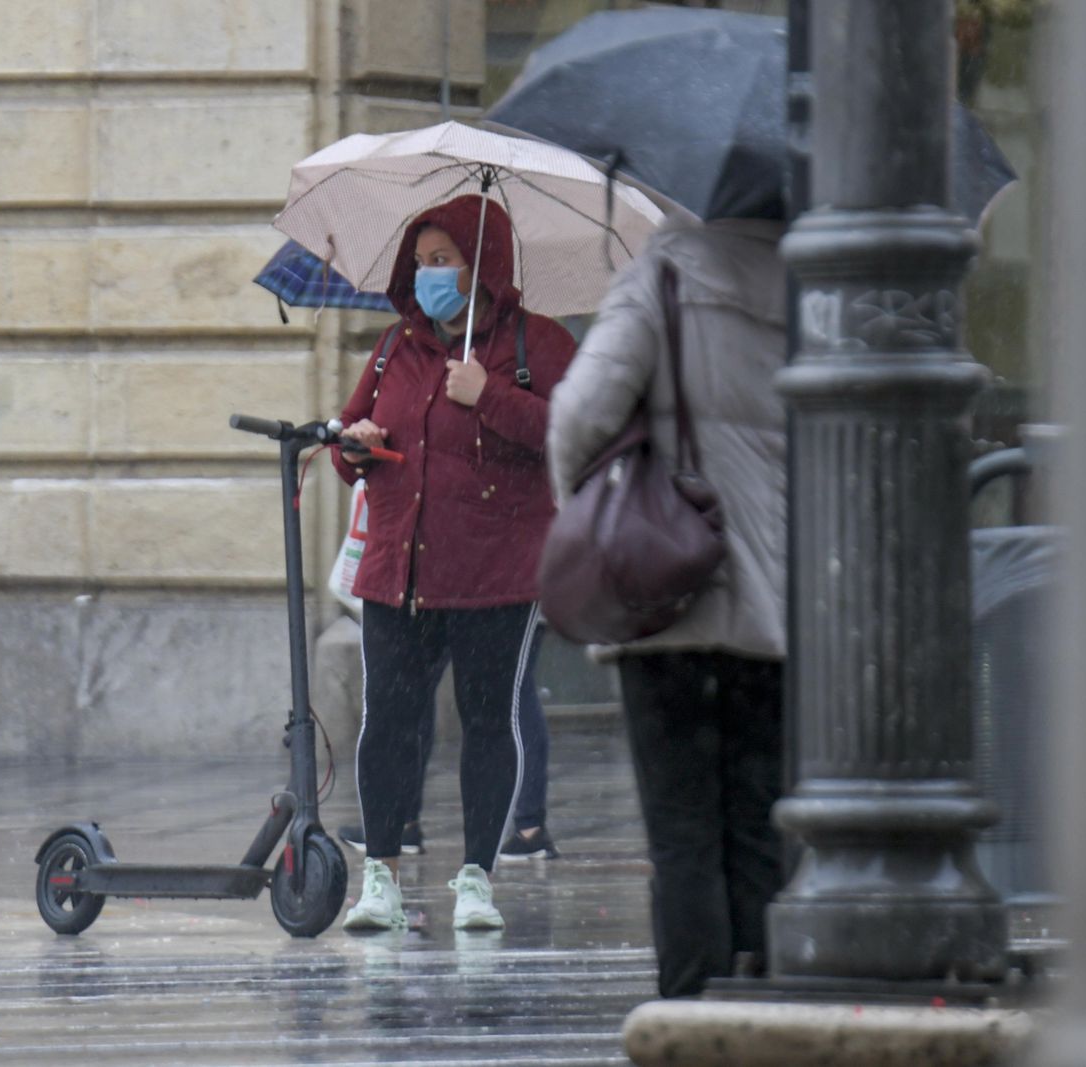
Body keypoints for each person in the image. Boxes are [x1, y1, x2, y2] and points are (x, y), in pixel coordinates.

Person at [546, 217, 787, 996]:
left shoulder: (663, 276)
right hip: (772, 607)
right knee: (758, 828)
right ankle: (767, 1009)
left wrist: (590, 506)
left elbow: (578, 412)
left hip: (668, 601)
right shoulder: (817, 288)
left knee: (683, 834)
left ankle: (695, 1016)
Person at [334, 194, 576, 932]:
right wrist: (356, 443)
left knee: (486, 720)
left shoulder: (540, 344)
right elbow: (351, 440)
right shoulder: (394, 347)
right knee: (389, 722)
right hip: (397, 570)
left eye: (445, 260)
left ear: (485, 264)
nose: (430, 274)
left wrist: (491, 395)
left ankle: (477, 876)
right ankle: (381, 874)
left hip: (495, 573)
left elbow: (574, 434)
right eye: (422, 261)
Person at [335, 637, 561, 860]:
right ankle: (402, 822)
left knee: (508, 688)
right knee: (507, 686)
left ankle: (528, 828)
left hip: (485, 606)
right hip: (486, 605)